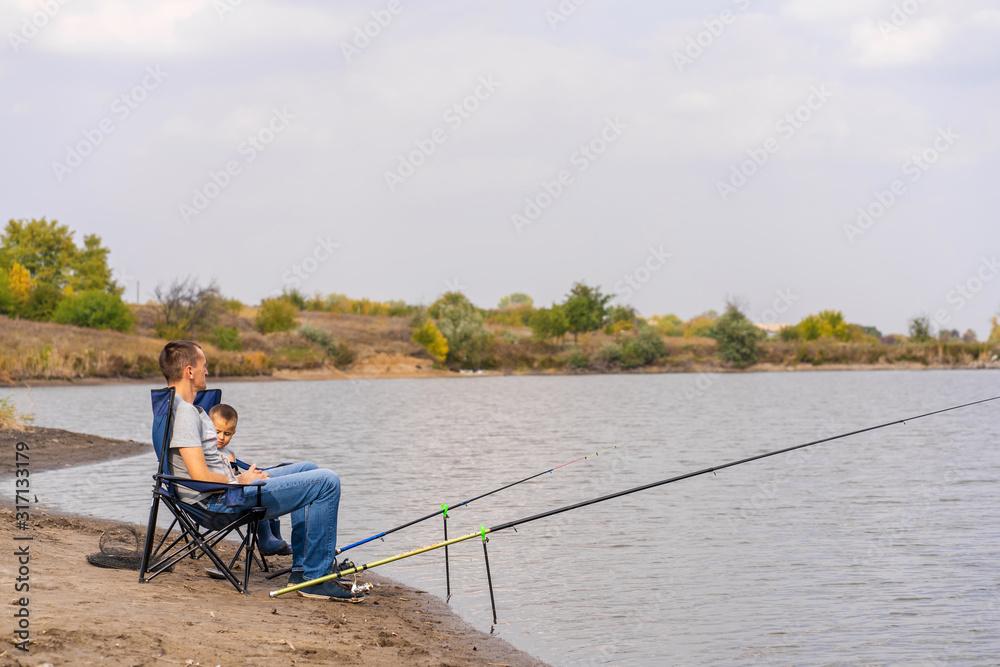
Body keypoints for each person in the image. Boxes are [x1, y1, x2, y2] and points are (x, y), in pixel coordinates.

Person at [159, 339, 362, 602]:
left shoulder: (180, 407)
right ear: (189, 371)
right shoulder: (185, 413)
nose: (206, 371)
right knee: (328, 481)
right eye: (203, 366)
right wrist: (241, 480)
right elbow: (199, 477)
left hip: (224, 491)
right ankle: (315, 578)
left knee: (310, 469)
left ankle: (303, 571)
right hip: (220, 500)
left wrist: (237, 475)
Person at [209, 403, 293, 557]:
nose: (221, 437)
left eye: (227, 434)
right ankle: (266, 539)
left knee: (265, 486)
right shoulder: (208, 450)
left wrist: (250, 475)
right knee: (258, 493)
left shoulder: (228, 451)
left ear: (234, 433)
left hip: (232, 488)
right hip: (220, 497)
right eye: (217, 432)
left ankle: (276, 536)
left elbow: (233, 471)